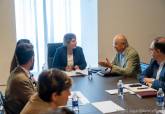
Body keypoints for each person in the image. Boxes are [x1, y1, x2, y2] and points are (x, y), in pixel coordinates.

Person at [5, 43, 36, 114]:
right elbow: (35, 103)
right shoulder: (21, 79)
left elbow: (35, 89)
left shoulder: (17, 71)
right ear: (32, 59)